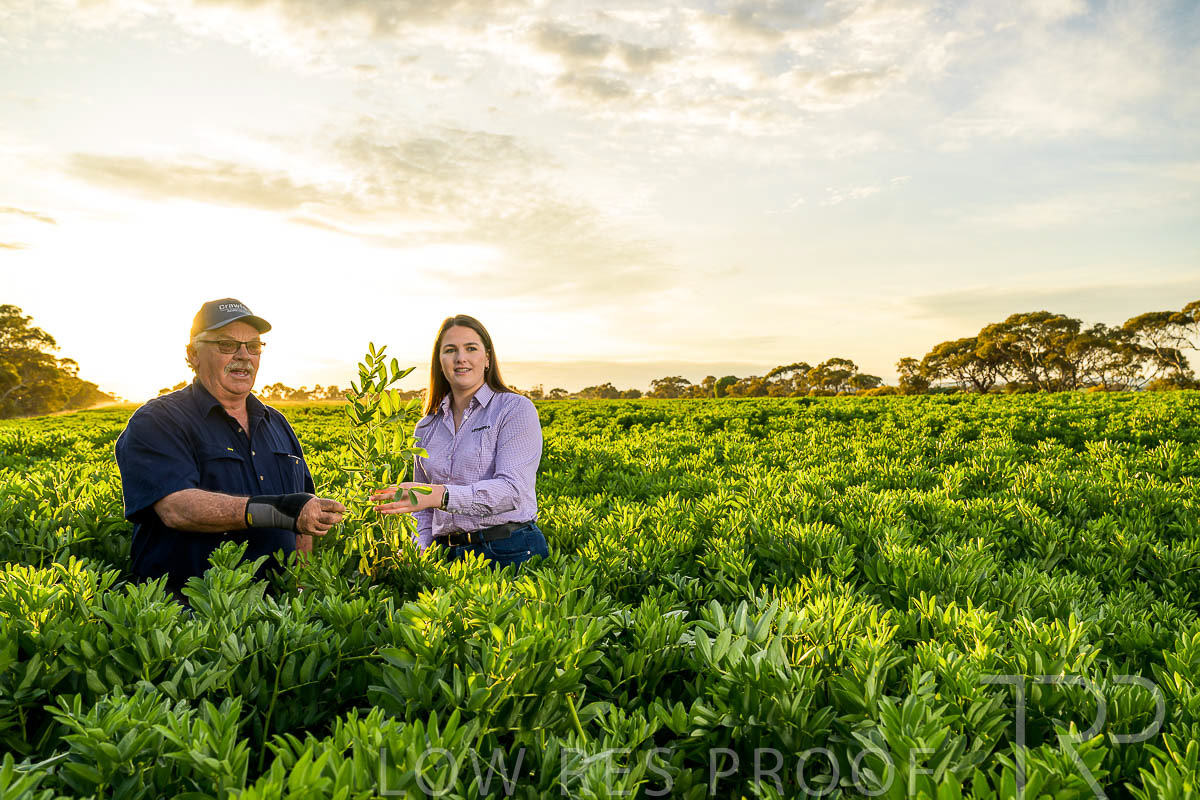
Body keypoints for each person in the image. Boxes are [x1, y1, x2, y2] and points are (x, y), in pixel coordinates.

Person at [115, 298, 345, 597]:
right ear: (193, 355)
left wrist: (299, 586)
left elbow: (302, 515)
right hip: (190, 610)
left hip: (276, 612)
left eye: (254, 346)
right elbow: (177, 508)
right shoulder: (158, 420)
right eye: (227, 345)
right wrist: (278, 511)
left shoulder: (276, 422)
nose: (243, 356)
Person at [371, 314, 548, 568]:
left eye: (471, 348)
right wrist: (418, 554)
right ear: (439, 362)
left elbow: (512, 491)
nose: (460, 358)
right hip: (446, 555)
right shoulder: (426, 427)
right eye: (450, 350)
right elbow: (423, 512)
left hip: (509, 548)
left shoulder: (514, 409)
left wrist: (439, 496)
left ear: (487, 358)